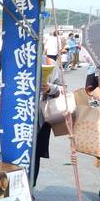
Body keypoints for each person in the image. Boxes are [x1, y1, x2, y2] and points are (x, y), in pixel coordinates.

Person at [33, 56, 63, 186]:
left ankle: (30, 189)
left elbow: (62, 88)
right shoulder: (13, 59)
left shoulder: (50, 63)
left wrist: (50, 88)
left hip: (42, 117)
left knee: (35, 155)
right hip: (17, 117)